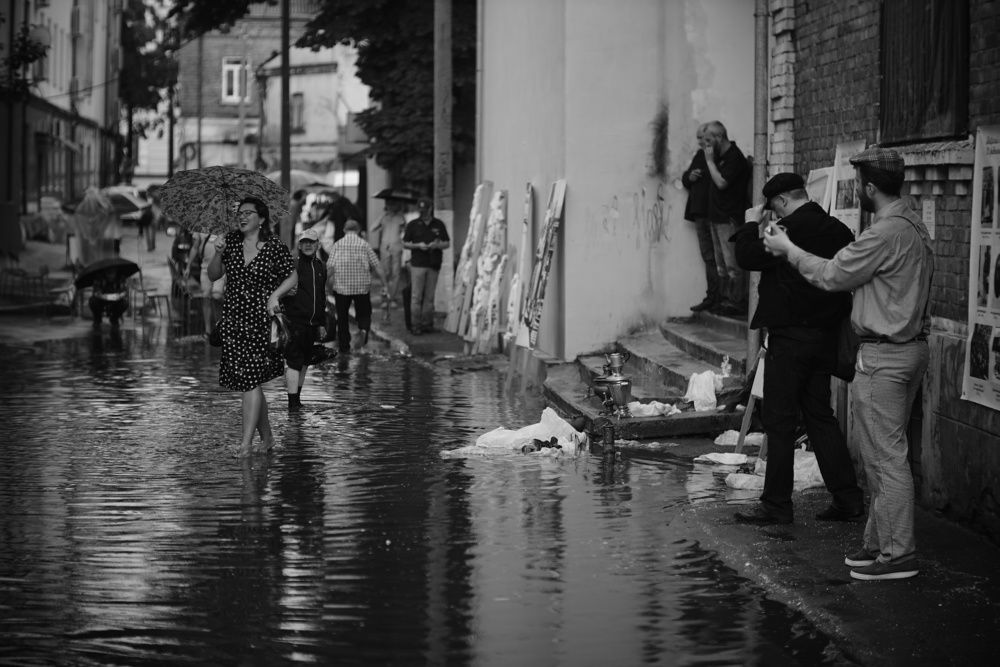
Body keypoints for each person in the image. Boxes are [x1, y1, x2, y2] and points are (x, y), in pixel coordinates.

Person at [763, 147, 933, 581]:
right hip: (910, 349)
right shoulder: (914, 224)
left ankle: (897, 556)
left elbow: (832, 275)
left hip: (886, 355)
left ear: (870, 188)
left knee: (885, 460)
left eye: (860, 184)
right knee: (887, 455)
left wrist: (787, 248)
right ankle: (879, 543)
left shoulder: (884, 234)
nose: (857, 189)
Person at [731, 172, 864, 527]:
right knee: (819, 415)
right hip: (825, 338)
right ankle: (848, 498)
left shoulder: (784, 233)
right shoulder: (838, 229)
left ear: (781, 202)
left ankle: (776, 505)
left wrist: (749, 224)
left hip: (790, 340)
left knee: (779, 420)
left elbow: (746, 256)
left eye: (774, 210)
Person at [207, 196, 297, 457]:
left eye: (248, 213)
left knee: (250, 382)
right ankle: (267, 439)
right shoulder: (231, 242)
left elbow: (292, 276)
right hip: (234, 321)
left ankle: (246, 444)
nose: (243, 217)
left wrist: (274, 295)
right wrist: (217, 252)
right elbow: (214, 275)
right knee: (251, 383)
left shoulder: (273, 247)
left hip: (260, 321)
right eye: (240, 213)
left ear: (262, 219)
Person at [703, 120, 751, 316]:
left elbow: (722, 183)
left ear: (719, 137)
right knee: (721, 265)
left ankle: (736, 302)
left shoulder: (734, 157)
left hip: (728, 217)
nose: (706, 145)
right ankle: (724, 302)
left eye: (708, 140)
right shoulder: (721, 156)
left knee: (732, 265)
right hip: (716, 217)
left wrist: (709, 162)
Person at [281, 226, 327, 410]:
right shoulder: (292, 264)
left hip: (313, 323)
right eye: (304, 242)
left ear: (317, 244)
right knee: (294, 361)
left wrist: (322, 323)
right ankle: (292, 403)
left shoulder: (321, 267)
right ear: (299, 246)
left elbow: (322, 296)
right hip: (295, 321)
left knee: (305, 361)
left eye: (311, 242)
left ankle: (297, 399)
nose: (307, 245)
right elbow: (278, 289)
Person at [327, 219, 387, 353]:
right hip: (362, 288)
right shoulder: (364, 245)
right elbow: (377, 266)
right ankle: (364, 329)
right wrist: (385, 284)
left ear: (344, 230)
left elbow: (330, 267)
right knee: (364, 314)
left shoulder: (337, 245)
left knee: (342, 318)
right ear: (359, 230)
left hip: (341, 288)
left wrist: (324, 284)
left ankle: (344, 346)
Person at [682, 123, 720, 312]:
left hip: (713, 213)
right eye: (699, 138)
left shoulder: (715, 155)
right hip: (699, 213)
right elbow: (685, 179)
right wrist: (691, 176)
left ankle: (719, 298)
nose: (700, 142)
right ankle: (712, 296)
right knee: (709, 257)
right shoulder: (700, 155)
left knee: (719, 258)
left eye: (703, 138)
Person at [402, 196, 450, 334]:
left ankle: (427, 324)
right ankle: (415, 326)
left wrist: (437, 245)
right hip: (417, 264)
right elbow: (405, 243)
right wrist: (418, 245)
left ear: (430, 209)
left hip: (433, 263)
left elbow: (447, 243)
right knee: (416, 297)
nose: (422, 213)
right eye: (420, 210)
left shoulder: (438, 224)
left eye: (425, 210)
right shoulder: (413, 224)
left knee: (429, 297)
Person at [370, 198, 407, 305]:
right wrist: (382, 216)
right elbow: (372, 228)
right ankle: (385, 297)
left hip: (397, 246)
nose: (391, 206)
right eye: (389, 204)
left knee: (396, 273)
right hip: (385, 247)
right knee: (385, 273)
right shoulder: (383, 217)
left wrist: (403, 227)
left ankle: (392, 298)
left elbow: (406, 231)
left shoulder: (401, 217)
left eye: (393, 204)